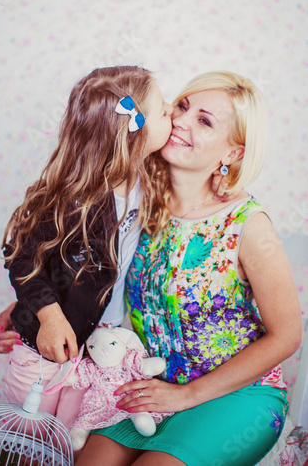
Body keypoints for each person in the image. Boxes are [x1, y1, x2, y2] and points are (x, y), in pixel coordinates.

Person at [75, 71, 303, 466]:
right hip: (153, 385)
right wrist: (33, 310)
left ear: (232, 154)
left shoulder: (247, 224)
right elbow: (85, 271)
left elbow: (286, 336)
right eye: (182, 106)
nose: (181, 121)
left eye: (204, 120)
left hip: (237, 395)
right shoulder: (138, 202)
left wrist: (187, 396)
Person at [0, 65, 174, 428]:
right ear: (130, 131)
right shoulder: (74, 197)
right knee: (29, 431)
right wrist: (49, 315)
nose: (171, 111)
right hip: (44, 348)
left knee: (69, 435)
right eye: (163, 109)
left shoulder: (148, 182)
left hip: (96, 349)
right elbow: (21, 257)